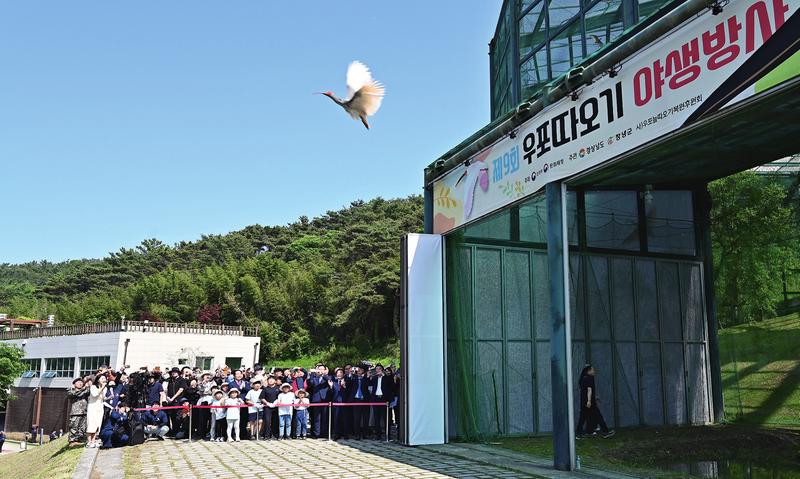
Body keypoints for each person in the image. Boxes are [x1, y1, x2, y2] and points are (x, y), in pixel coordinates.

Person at [578, 364, 615, 438]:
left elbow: (586, 391)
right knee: (598, 416)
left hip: (584, 402)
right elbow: (589, 390)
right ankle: (605, 432)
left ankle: (580, 433)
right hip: (590, 403)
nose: (594, 371)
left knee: (583, 418)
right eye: (592, 370)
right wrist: (589, 401)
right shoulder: (589, 378)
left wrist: (594, 397)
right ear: (588, 371)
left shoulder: (583, 378)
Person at [307, 363, 331, 439]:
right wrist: (311, 374)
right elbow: (310, 384)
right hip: (316, 400)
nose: (320, 371)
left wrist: (324, 375)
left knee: (325, 417)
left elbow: (329, 381)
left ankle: (324, 433)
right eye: (319, 369)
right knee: (316, 418)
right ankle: (316, 433)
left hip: (325, 399)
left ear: (324, 370)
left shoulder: (327, 377)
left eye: (322, 369)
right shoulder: (314, 378)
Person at [348, 365, 371, 440]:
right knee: (356, 418)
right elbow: (349, 383)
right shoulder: (353, 378)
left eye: (360, 370)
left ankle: (365, 434)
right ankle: (357, 434)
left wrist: (367, 376)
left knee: (366, 418)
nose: (358, 371)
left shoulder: (365, 378)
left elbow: (368, 384)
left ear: (363, 371)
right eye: (358, 370)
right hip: (356, 400)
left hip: (365, 400)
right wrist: (351, 374)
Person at [86, 375, 108, 448]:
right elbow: (95, 394)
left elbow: (103, 398)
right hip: (93, 407)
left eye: (104, 378)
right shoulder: (93, 387)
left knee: (97, 424)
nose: (104, 379)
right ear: (98, 380)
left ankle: (94, 440)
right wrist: (102, 387)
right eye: (102, 378)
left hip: (100, 407)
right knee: (91, 424)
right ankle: (89, 441)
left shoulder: (105, 388)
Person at [67, 378, 91, 445]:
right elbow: (74, 394)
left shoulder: (85, 390)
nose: (80, 383)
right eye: (78, 382)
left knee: (82, 427)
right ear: (74, 384)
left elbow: (89, 391)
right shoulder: (71, 390)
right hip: (76, 412)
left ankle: (80, 439)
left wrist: (88, 385)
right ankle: (72, 440)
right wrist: (83, 389)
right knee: (74, 426)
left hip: (84, 411)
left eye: (81, 382)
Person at [331, 368, 349, 440]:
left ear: (343, 374)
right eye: (337, 373)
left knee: (345, 419)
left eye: (340, 372)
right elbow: (331, 393)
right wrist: (331, 387)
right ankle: (336, 434)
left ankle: (345, 434)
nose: (339, 374)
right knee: (336, 419)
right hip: (336, 403)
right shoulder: (334, 382)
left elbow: (349, 392)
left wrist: (344, 386)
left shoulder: (347, 381)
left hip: (344, 403)